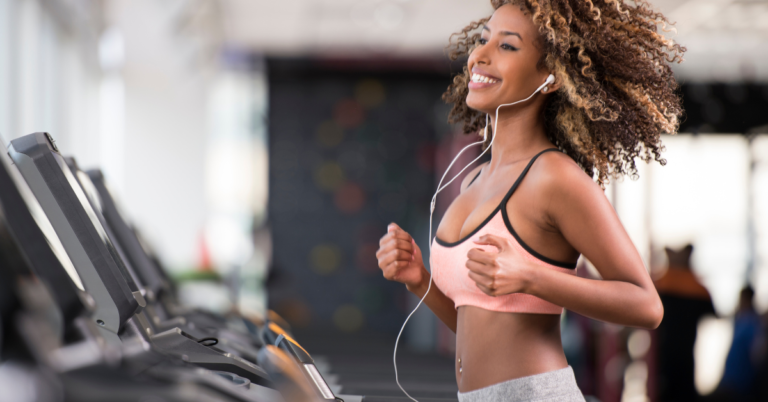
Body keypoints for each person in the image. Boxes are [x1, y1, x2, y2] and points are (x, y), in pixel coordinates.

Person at [376, 1, 684, 401]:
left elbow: (646, 306)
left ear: (551, 76)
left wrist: (531, 277)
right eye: (483, 40)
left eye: (507, 47)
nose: (479, 57)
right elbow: (477, 325)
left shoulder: (554, 178)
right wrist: (419, 279)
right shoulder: (473, 177)